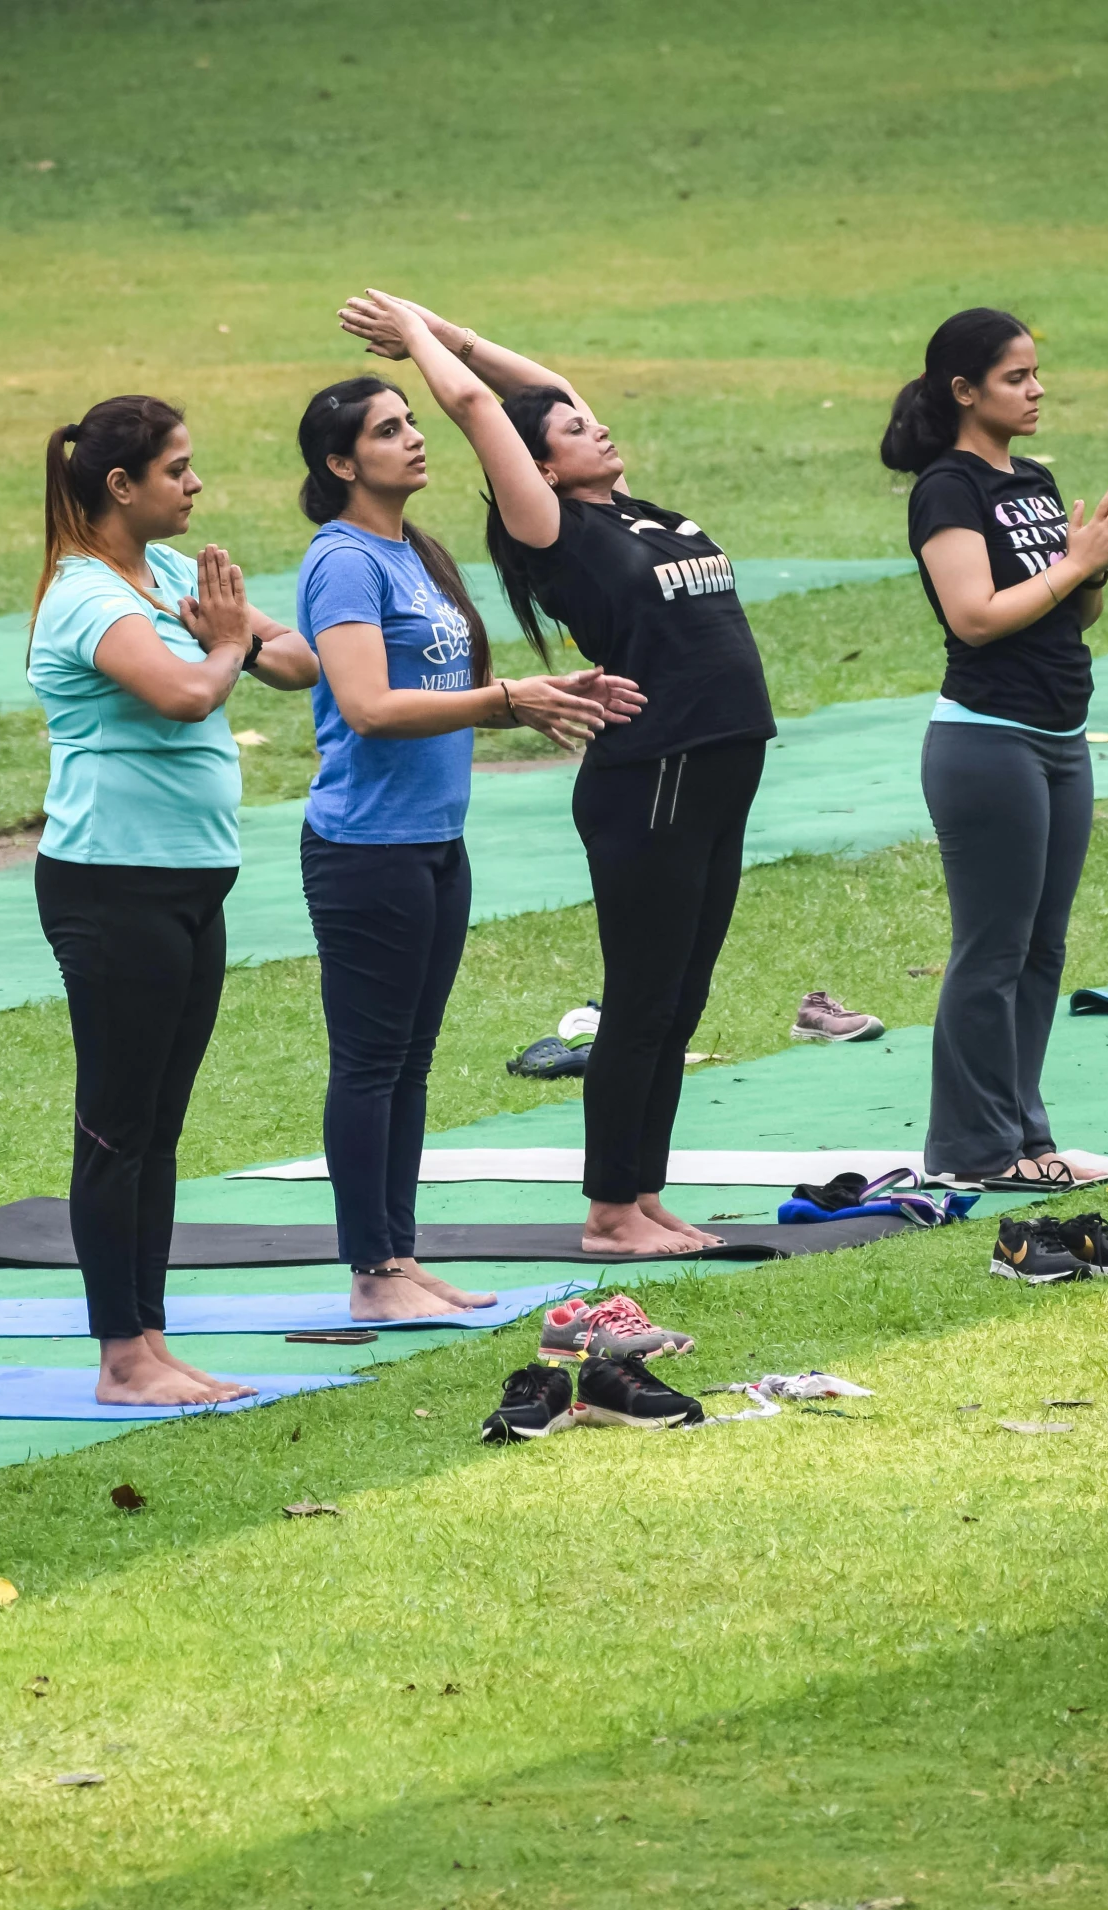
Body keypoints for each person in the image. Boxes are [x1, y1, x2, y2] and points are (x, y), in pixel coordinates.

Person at [339, 288, 773, 1258]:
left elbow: (535, 386)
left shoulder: (636, 511)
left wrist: (444, 329)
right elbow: (487, 409)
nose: (595, 421)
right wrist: (415, 339)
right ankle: (608, 1212)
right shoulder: (552, 528)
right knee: (642, 996)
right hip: (647, 778)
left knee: (682, 996)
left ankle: (642, 1191)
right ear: (538, 465)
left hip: (714, 769)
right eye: (577, 427)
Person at [293, 369, 640, 1315]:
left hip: (434, 844)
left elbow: (444, 696)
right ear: (339, 462)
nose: (413, 439)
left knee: (410, 1059)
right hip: (365, 849)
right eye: (386, 431)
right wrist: (504, 700)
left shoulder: (416, 552)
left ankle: (398, 1259)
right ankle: (372, 1275)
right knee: (369, 1063)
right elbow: (366, 706)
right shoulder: (343, 562)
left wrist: (538, 700)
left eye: (411, 423)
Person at [29, 395, 319, 1404]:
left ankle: (150, 1339)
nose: (195, 485)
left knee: (160, 1123)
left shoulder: (158, 574)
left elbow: (299, 659)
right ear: (121, 485)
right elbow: (188, 693)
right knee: (115, 1124)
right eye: (178, 469)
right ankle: (119, 1359)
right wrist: (229, 644)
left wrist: (237, 639)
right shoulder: (84, 598)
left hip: (189, 882)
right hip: (110, 886)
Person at [882, 309, 1108, 1187]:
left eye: (1036, 374)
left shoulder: (1029, 478)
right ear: (964, 391)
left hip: (1060, 737)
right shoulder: (946, 488)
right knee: (990, 948)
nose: (1036, 390)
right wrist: (1075, 563)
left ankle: (1027, 1134)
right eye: (1015, 378)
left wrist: (1090, 567)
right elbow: (975, 616)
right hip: (985, 741)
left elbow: (1077, 612)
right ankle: (971, 1149)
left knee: (1041, 947)